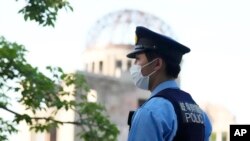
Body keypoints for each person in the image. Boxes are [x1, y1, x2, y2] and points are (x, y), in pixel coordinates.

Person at [127, 26, 212, 141]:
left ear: (157, 64)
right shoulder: (199, 113)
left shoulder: (150, 112)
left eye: (138, 59)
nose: (134, 65)